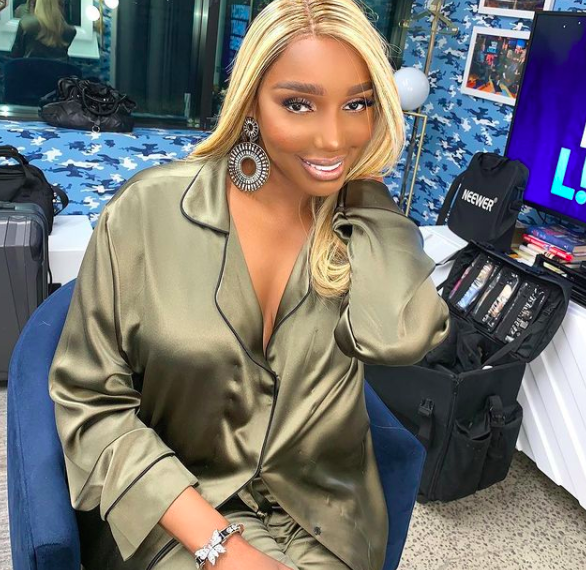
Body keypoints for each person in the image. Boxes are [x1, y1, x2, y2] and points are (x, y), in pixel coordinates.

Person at [47, 0, 450, 568]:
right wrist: (224, 548)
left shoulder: (361, 227)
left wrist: (368, 193)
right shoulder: (148, 213)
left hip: (322, 518)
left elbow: (398, 338)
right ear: (251, 102)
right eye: (299, 104)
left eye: (358, 103)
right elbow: (89, 401)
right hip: (175, 508)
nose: (334, 137)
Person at [10, 0, 76, 61]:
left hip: (30, 68)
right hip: (58, 69)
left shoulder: (27, 24)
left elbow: (15, 55)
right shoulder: (69, 31)